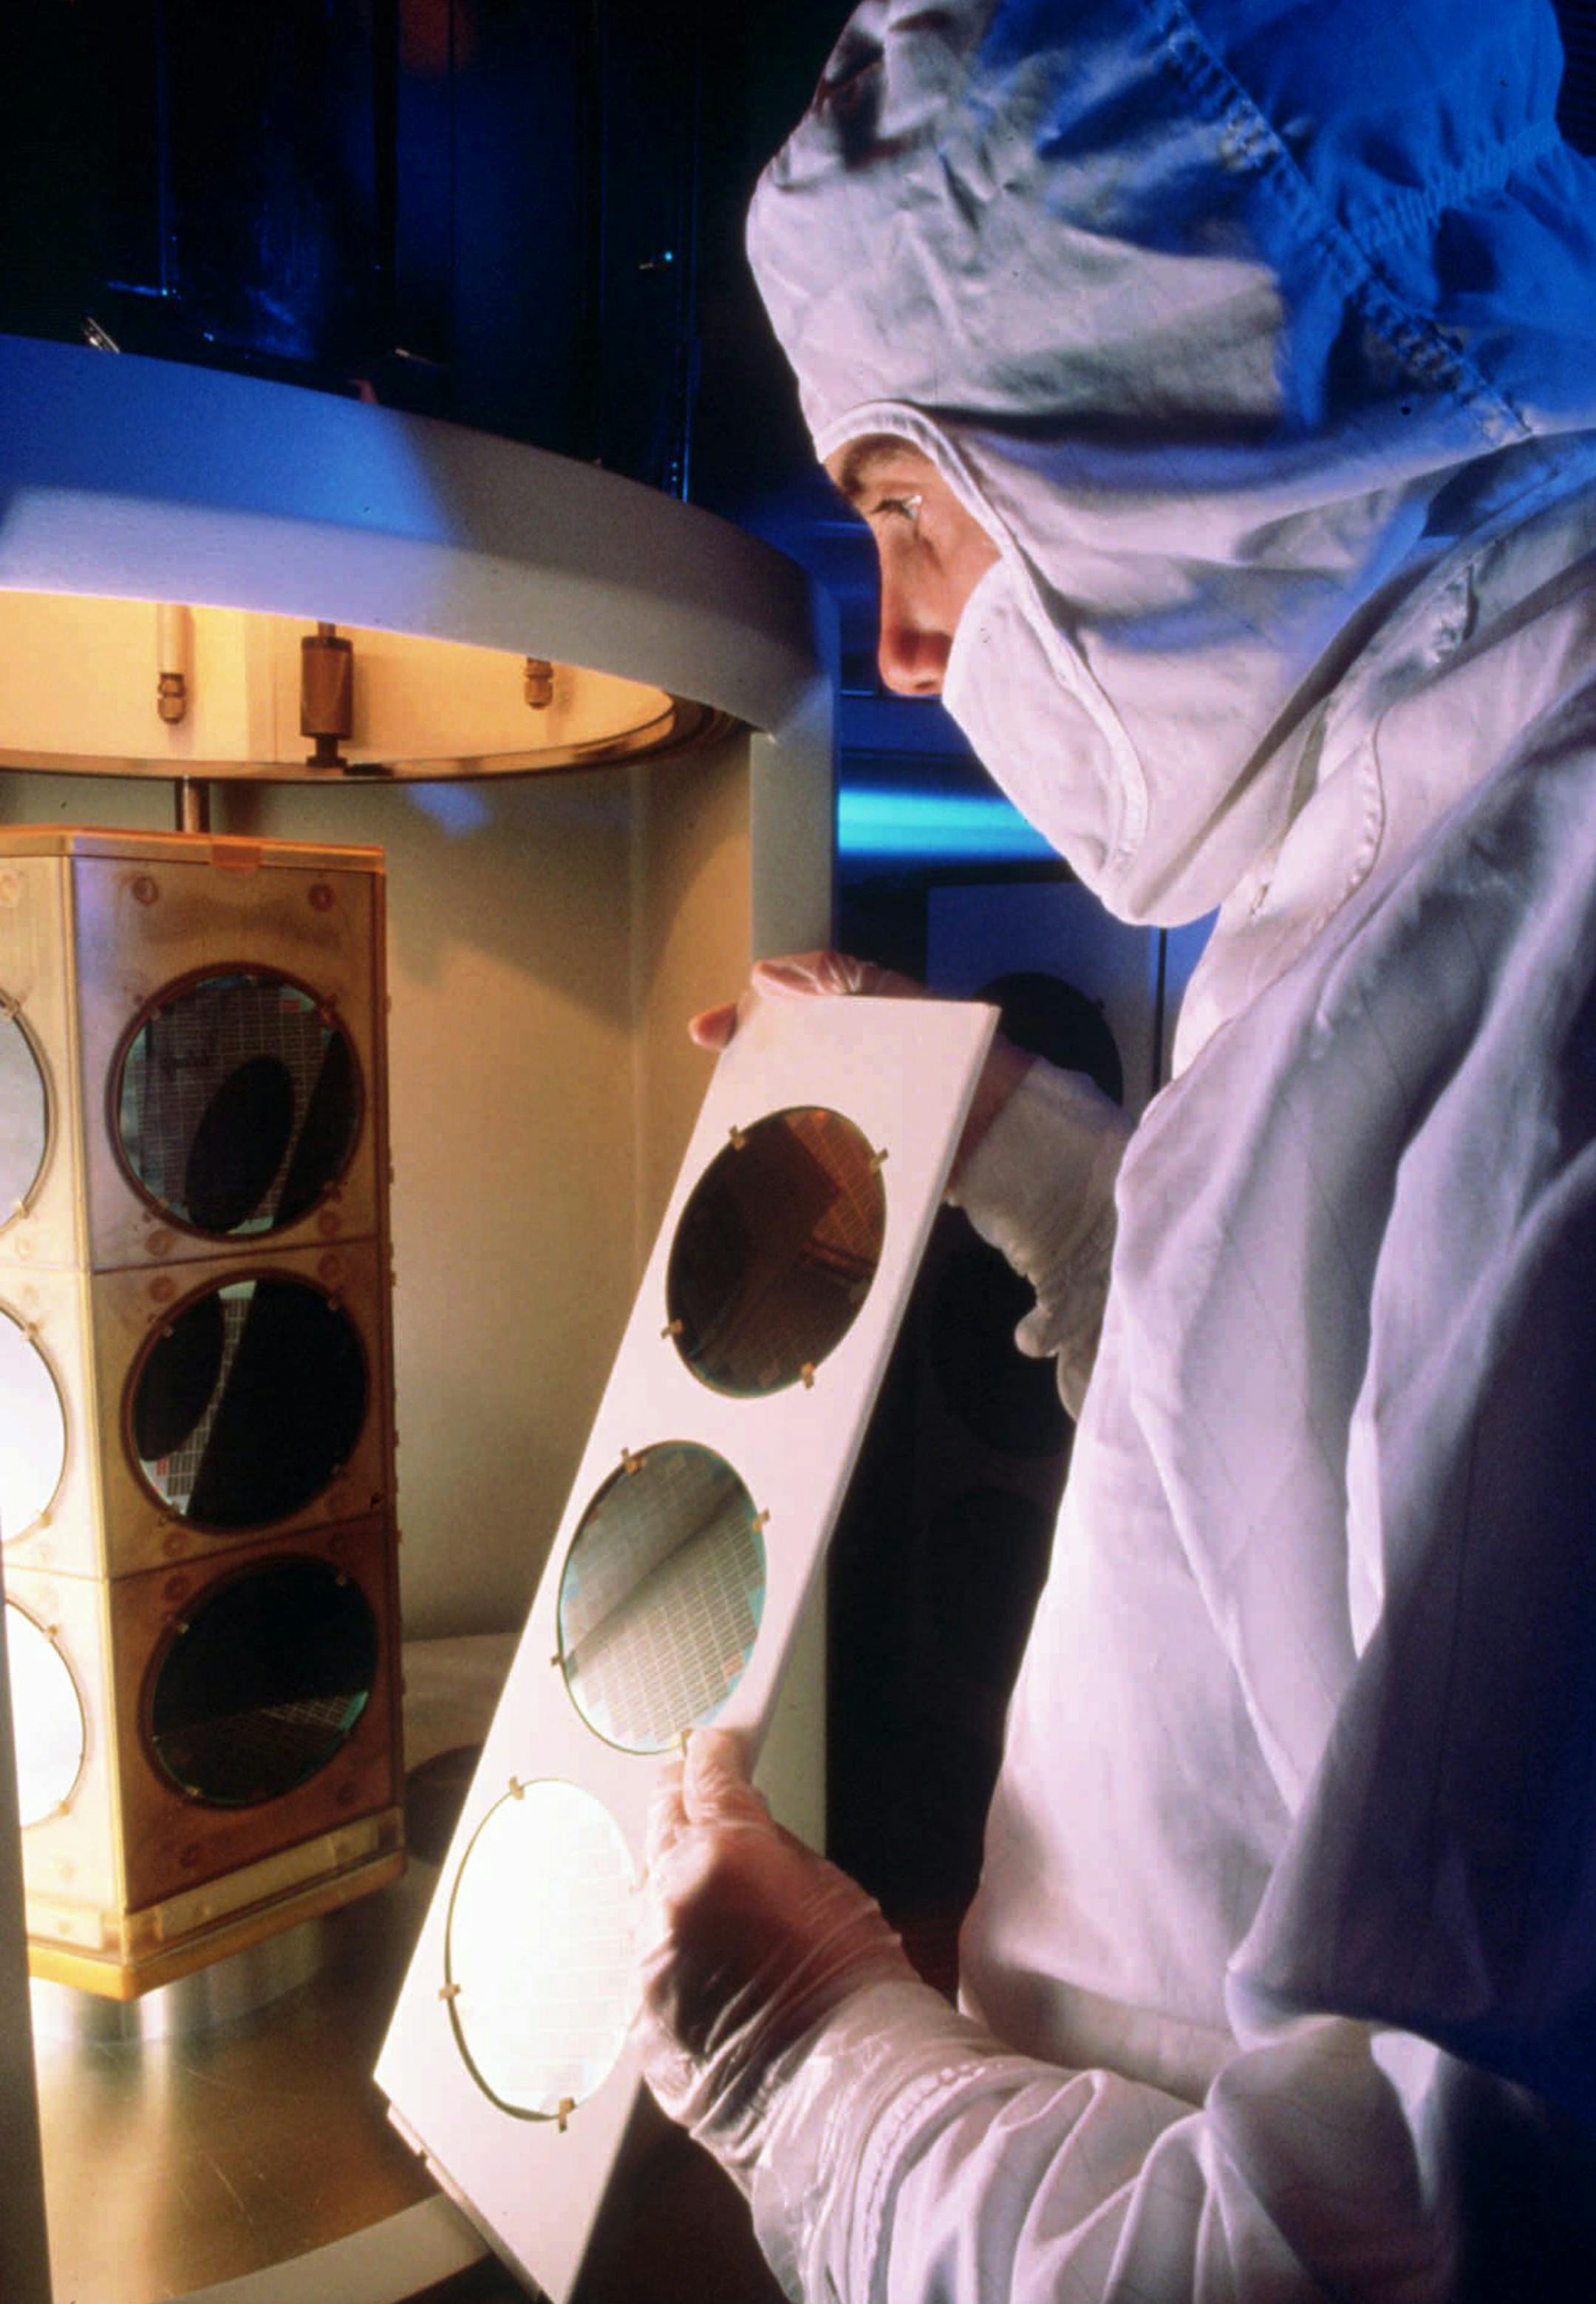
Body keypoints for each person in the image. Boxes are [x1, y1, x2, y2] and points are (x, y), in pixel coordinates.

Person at [635, 1, 1596, 2294]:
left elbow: (1379, 2252)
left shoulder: (1549, 955)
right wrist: (1028, 1156)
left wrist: (815, 2064)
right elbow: (1316, 1488)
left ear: (1149, 425)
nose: (903, 644)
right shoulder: (1433, 809)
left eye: (902, 507)